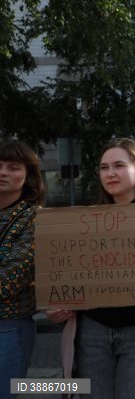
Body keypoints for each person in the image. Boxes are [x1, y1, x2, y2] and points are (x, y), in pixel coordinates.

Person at [47, 138, 135, 399]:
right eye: (104, 167)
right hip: (91, 332)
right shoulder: (84, 222)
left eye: (119, 165)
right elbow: (68, 275)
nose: (110, 173)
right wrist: (59, 304)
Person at [0, 141, 44, 399]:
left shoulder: (34, 218)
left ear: (28, 176)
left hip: (7, 327)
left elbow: (9, 281)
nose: (3, 172)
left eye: (13, 167)